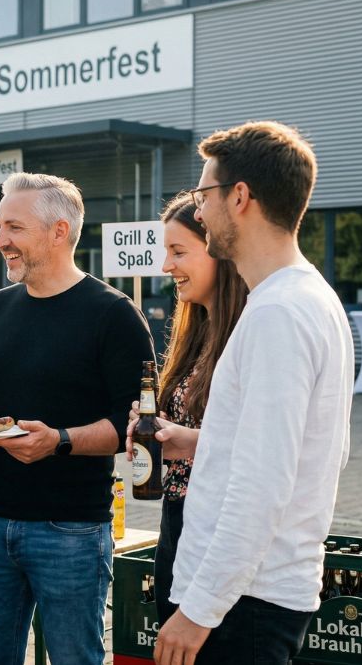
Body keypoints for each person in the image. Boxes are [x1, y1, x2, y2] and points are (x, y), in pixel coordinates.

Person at [0, 172, 155, 664]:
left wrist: (59, 440)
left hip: (71, 530)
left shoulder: (114, 315)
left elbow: (133, 425)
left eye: (13, 227)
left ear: (59, 231)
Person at [155, 122, 354, 665]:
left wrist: (198, 610)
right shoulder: (301, 298)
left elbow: (262, 484)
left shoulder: (279, 312)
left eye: (204, 196)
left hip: (245, 602)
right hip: (249, 593)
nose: (199, 211)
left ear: (239, 197)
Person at [123, 193, 248, 624]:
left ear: (218, 251)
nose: (166, 266)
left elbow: (265, 446)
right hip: (178, 520)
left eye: (179, 252)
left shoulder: (250, 331)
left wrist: (186, 440)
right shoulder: (198, 329)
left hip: (223, 531)